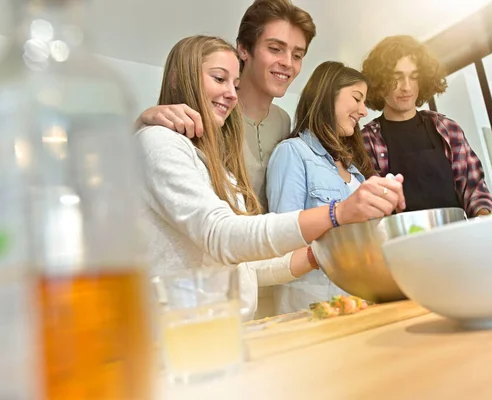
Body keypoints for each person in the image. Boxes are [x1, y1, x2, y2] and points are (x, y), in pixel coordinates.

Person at [135, 35, 405, 321]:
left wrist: (321, 255)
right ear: (179, 78)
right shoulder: (159, 142)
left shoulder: (221, 170)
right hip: (184, 335)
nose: (231, 94)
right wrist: (338, 213)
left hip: (228, 329)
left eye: (235, 85)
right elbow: (222, 235)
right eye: (219, 78)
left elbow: (247, 265)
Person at [136, 0, 315, 209]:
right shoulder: (209, 113)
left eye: (297, 55)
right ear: (244, 49)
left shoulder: (282, 120)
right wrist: (141, 123)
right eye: (275, 49)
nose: (288, 63)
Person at [266, 61, 404, 313]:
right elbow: (283, 240)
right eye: (357, 98)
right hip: (310, 306)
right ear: (329, 94)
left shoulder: (355, 170)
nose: (364, 111)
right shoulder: (292, 153)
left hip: (357, 301)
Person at [361, 35, 492, 217]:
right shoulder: (366, 141)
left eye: (414, 77)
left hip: (456, 238)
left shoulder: (448, 129)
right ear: (379, 81)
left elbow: (474, 189)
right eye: (396, 78)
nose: (407, 87)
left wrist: (483, 217)